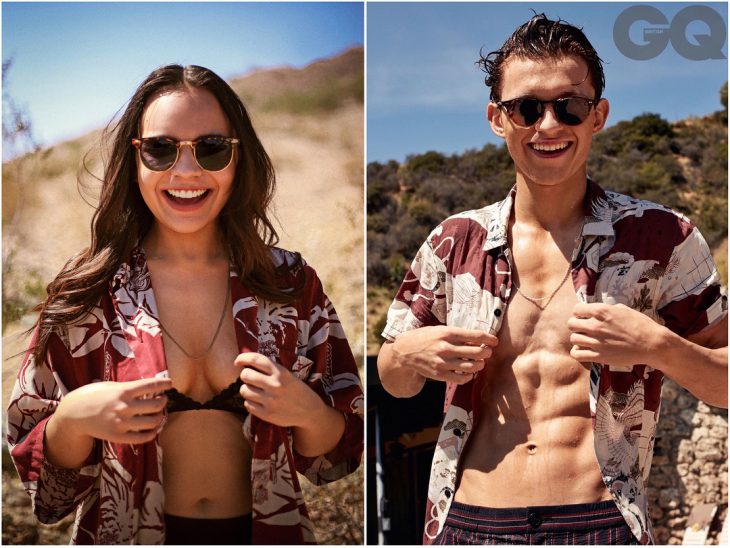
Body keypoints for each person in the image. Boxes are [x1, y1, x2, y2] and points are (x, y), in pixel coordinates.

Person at [377, 13, 727, 545]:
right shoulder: (454, 242)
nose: (548, 125)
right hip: (471, 521)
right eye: (526, 108)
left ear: (598, 115)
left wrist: (657, 345)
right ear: (498, 118)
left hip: (602, 523)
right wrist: (407, 356)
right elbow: (392, 379)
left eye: (570, 105)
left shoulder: (663, 238)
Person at [7, 64, 363, 545]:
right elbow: (45, 486)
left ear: (239, 159)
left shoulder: (291, 285)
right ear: (134, 160)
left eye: (212, 149)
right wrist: (74, 418)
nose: (187, 171)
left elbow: (338, 454)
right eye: (161, 149)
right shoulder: (89, 292)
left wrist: (309, 413)